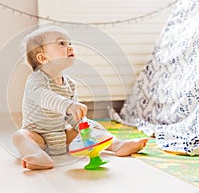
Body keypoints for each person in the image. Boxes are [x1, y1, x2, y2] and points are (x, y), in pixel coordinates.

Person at [12, 25, 148, 170]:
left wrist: (84, 127)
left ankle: (118, 145)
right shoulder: (36, 80)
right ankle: (38, 155)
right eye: (62, 43)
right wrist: (68, 105)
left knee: (92, 126)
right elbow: (44, 97)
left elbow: (72, 117)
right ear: (43, 58)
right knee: (20, 136)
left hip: (62, 137)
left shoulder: (69, 83)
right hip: (39, 137)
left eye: (69, 43)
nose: (70, 47)